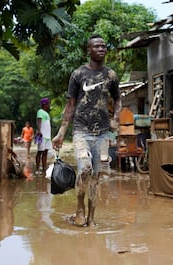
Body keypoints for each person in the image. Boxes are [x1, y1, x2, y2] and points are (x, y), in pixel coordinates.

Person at [52, 34, 121, 227]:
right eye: (97, 46)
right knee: (85, 169)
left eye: (104, 46)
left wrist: (116, 120)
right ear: (88, 50)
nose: (101, 49)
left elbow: (118, 100)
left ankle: (91, 218)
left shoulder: (111, 75)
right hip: (81, 131)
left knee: (96, 178)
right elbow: (70, 105)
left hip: (102, 133)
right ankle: (79, 207)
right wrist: (61, 132)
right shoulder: (78, 74)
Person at [35, 97, 52, 174]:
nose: (49, 105)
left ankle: (44, 168)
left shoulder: (46, 113)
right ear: (45, 104)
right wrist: (39, 131)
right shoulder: (40, 112)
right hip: (42, 135)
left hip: (47, 136)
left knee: (45, 152)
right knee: (40, 152)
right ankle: (37, 168)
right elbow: (39, 121)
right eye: (48, 103)